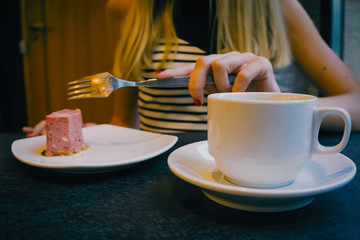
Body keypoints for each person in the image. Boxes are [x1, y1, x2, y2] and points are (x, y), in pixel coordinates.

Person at [106, 0, 360, 133]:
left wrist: (278, 105)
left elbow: (357, 103)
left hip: (255, 165)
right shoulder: (127, 7)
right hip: (157, 179)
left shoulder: (276, 6)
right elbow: (125, 121)